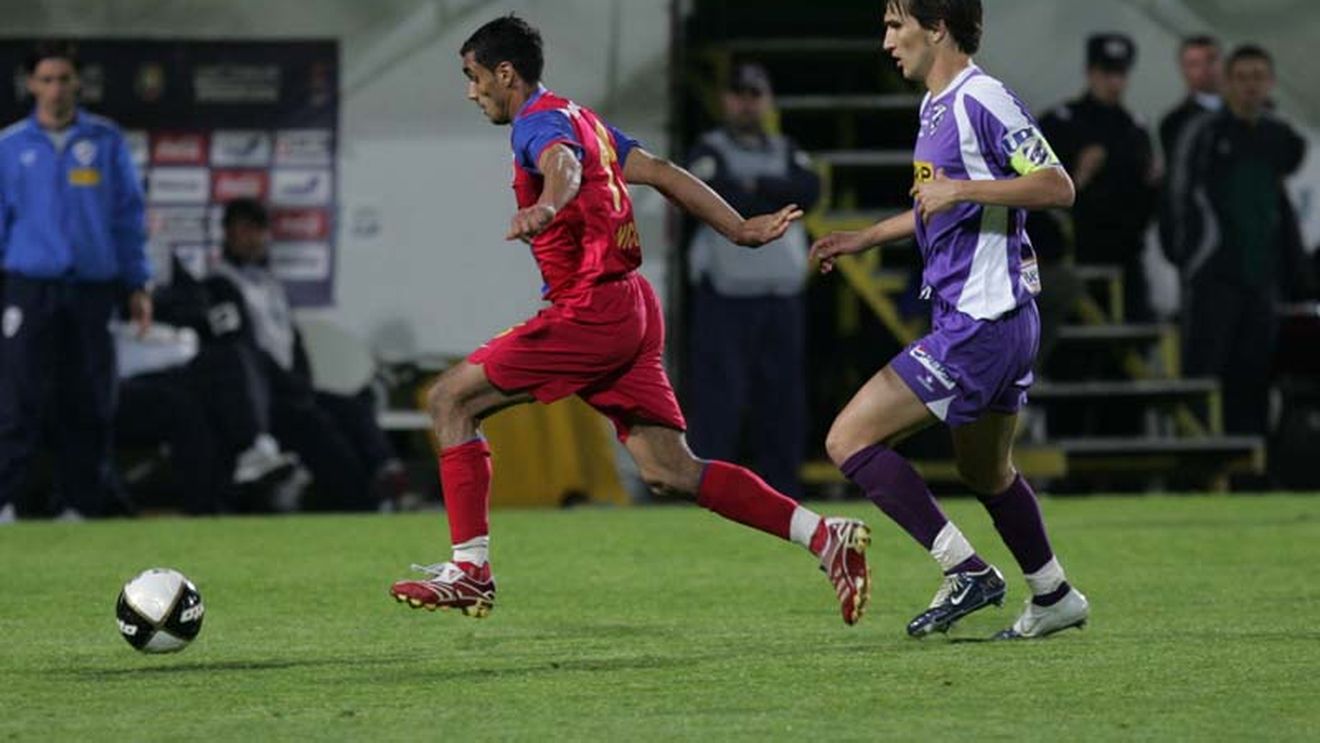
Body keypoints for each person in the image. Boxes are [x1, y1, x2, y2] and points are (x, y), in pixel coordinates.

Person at [389, 14, 871, 624]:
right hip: (633, 306)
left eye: (473, 75)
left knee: (450, 400)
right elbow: (662, 171)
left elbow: (559, 166)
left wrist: (547, 204)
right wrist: (741, 229)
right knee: (668, 469)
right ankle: (824, 537)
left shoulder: (539, 127)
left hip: (591, 309)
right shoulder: (580, 117)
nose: (470, 91)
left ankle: (470, 571)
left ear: (504, 73)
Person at [809, 0, 1088, 639]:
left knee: (847, 440)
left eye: (894, 26)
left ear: (937, 28)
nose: (886, 42)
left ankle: (964, 570)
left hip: (980, 323)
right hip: (1002, 321)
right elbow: (943, 204)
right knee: (985, 472)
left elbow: (1055, 185)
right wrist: (869, 236)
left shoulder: (980, 97)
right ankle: (1052, 594)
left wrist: (961, 189)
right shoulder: (937, 105)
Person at [0, 41, 151, 522]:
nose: (55, 89)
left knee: (87, 398)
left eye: (64, 79)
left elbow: (128, 218)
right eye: (46, 79)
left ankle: (80, 504)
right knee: (18, 398)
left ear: (78, 84)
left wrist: (138, 284)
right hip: (29, 285)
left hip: (92, 289)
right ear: (31, 85)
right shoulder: (9, 146)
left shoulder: (105, 142)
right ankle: (8, 503)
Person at [209, 198, 400, 511]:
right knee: (318, 427)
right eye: (245, 229)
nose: (254, 238)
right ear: (228, 233)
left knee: (351, 408)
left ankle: (386, 469)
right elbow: (241, 350)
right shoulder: (220, 284)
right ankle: (362, 503)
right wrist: (288, 385)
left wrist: (301, 381)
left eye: (259, 230)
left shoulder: (270, 284)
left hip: (293, 389)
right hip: (261, 400)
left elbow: (292, 341)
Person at [684, 61, 821, 499]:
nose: (746, 103)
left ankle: (781, 493)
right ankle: (709, 490)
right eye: (739, 94)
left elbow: (809, 191)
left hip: (780, 297)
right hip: (726, 297)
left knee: (782, 401)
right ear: (726, 100)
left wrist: (753, 183)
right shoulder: (708, 148)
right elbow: (718, 193)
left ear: (767, 100)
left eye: (755, 94)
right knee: (718, 399)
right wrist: (769, 189)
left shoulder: (786, 148)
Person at [1163, 45, 1307, 436]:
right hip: (1212, 278)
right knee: (1205, 375)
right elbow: (1176, 199)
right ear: (1227, 83)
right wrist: (1188, 260)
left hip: (1261, 279)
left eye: (1259, 77)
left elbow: (1287, 183)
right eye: (1242, 78)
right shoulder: (1203, 133)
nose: (1250, 87)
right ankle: (1196, 471)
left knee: (1253, 378)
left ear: (1271, 83)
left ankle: (1250, 473)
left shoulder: (1277, 135)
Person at [1039, 33, 1159, 322]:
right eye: (1106, 73)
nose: (1114, 83)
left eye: (1120, 74)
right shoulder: (1060, 123)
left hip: (1126, 253)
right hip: (1075, 251)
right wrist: (1078, 176)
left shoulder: (1134, 129)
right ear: (1091, 72)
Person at [1158, 35, 1222, 161]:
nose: (1205, 69)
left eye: (1211, 60)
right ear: (1184, 70)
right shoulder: (1175, 122)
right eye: (1194, 64)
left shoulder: (1245, 112)